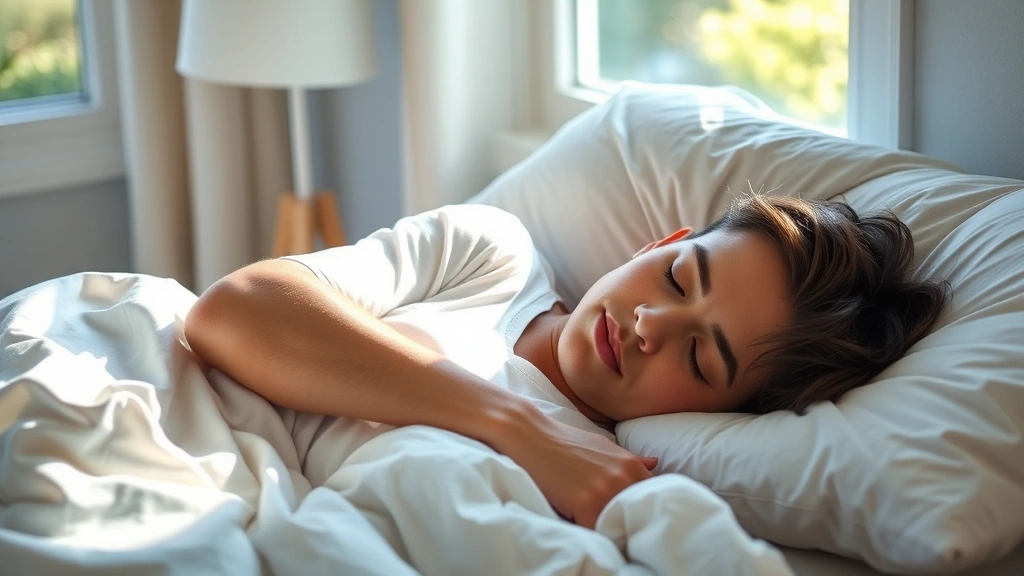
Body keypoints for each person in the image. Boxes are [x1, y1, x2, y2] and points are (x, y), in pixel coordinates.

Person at [183, 194, 949, 529]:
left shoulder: (599, 483)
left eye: (701, 357)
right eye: (680, 279)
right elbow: (236, 308)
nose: (650, 323)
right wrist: (516, 424)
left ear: (719, 412)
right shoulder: (492, 257)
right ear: (663, 243)